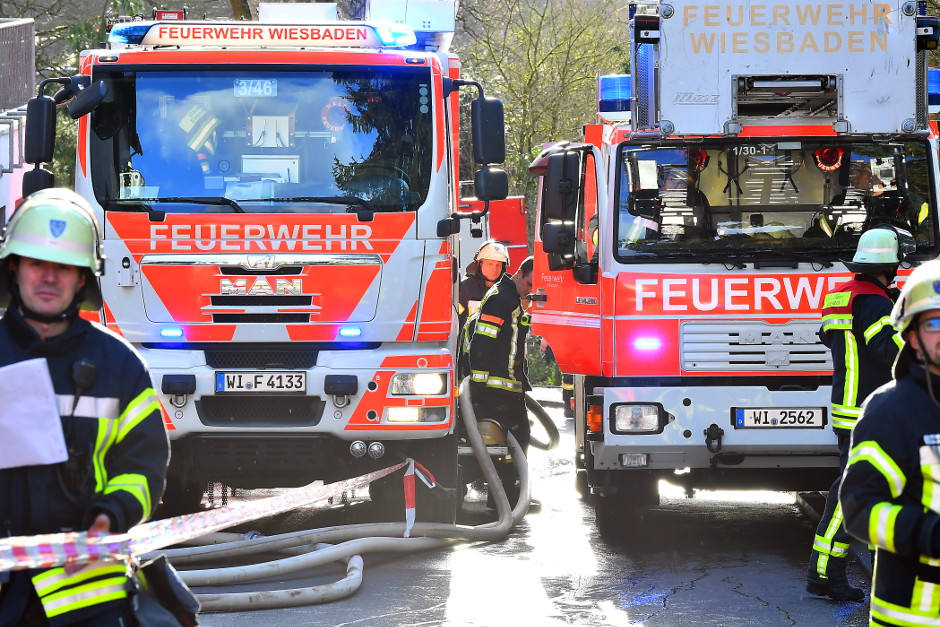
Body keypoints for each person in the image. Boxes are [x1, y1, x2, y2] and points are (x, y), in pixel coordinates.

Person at [0, 189, 170, 626]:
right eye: (38, 262)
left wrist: (109, 517)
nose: (49, 277)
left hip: (88, 596)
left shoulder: (121, 366)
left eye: (65, 267)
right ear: (14, 266)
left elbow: (143, 466)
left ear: (83, 279)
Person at [806, 225, 910, 602]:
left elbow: (833, 336)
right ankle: (825, 573)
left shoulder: (844, 295)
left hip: (848, 409)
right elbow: (890, 351)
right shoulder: (876, 303)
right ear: (892, 264)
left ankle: (835, 570)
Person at [840, 259, 940, 626]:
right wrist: (928, 533)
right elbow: (859, 507)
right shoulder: (891, 411)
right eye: (934, 322)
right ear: (912, 336)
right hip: (913, 615)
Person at [465, 256, 534, 506]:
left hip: (508, 386)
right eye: (528, 284)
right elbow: (483, 343)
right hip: (496, 388)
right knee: (507, 446)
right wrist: (479, 385)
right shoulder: (501, 298)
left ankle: (509, 499)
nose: (530, 292)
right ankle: (506, 501)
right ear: (518, 274)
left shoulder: (511, 297)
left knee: (513, 444)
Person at [457, 240, 510, 330]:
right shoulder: (466, 288)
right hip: (470, 342)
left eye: (498, 265)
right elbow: (456, 318)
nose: (494, 269)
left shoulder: (508, 290)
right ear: (480, 264)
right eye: (490, 264)